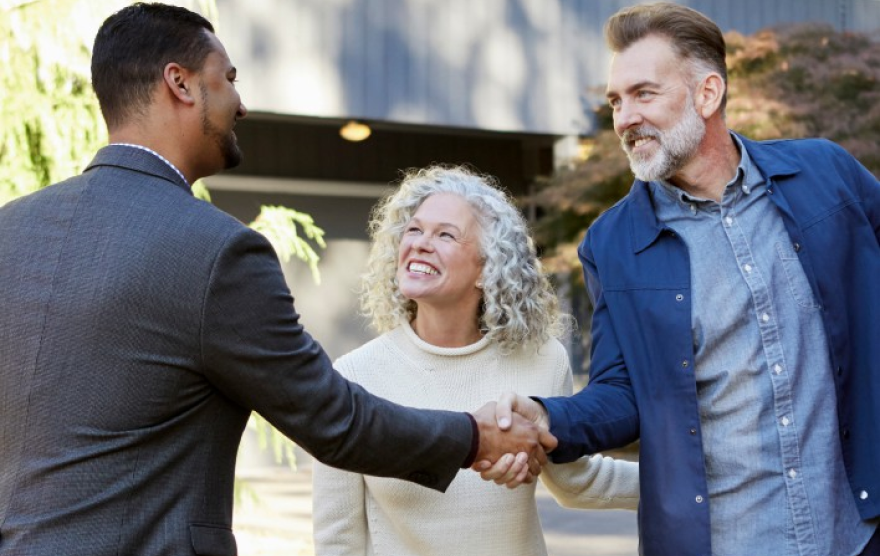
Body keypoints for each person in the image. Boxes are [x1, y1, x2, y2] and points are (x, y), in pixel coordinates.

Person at [0, 4, 551, 555]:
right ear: (181, 84)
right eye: (230, 80)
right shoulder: (216, 250)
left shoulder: (10, 229)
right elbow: (333, 419)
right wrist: (476, 436)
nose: (241, 104)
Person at [486, 3, 880, 556]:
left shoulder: (825, 175)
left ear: (708, 93)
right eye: (616, 101)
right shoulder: (613, 244)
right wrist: (549, 415)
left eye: (644, 94)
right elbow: (621, 393)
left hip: (857, 532)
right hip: (729, 542)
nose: (624, 118)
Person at [311, 165, 638, 556]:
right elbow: (337, 538)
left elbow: (574, 481)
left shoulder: (543, 361)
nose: (419, 243)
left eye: (445, 234)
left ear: (487, 268)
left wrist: (691, 484)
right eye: (414, 230)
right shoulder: (353, 376)